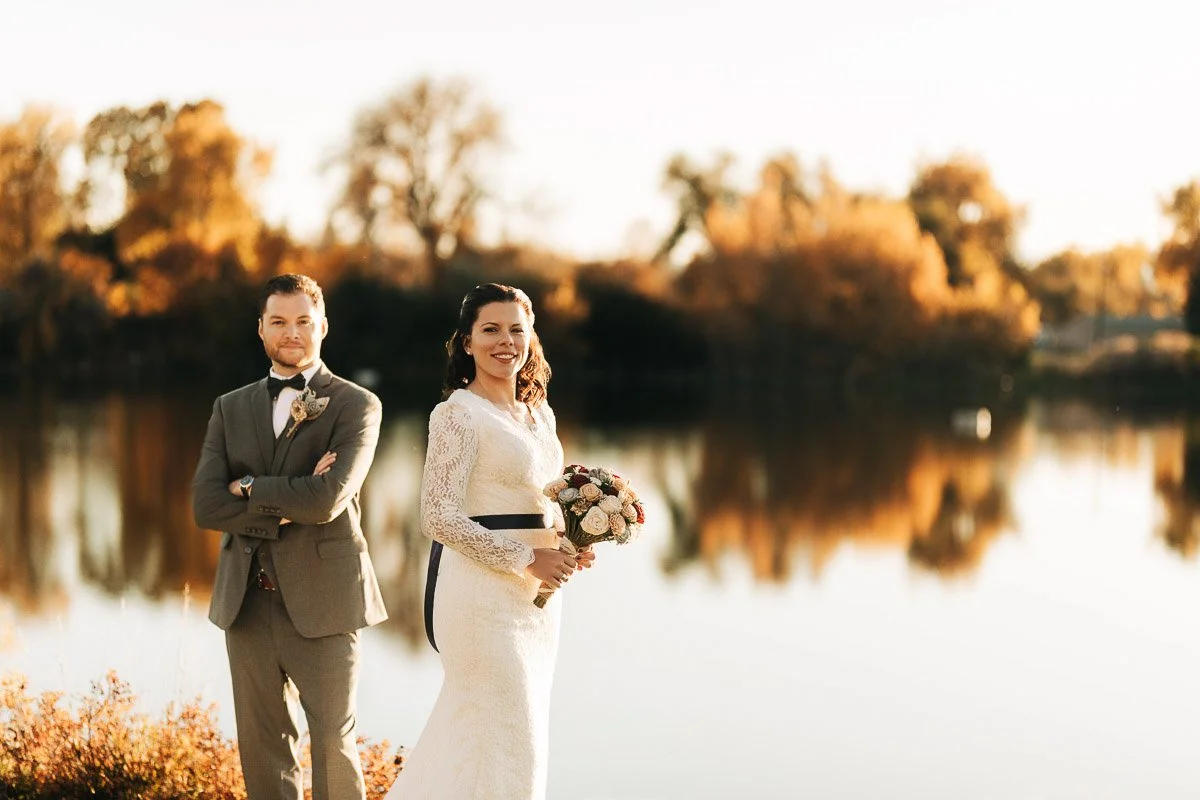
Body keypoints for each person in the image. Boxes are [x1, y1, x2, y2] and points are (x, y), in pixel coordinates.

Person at [386, 283, 594, 800]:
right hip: (480, 600)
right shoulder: (456, 414)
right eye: (491, 330)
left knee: (511, 735)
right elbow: (438, 516)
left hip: (538, 604)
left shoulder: (539, 414)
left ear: (531, 339)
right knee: (506, 724)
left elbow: (542, 500)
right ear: (467, 342)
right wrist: (526, 558)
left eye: (516, 330)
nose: (506, 341)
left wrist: (572, 540)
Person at [192, 274, 388, 800]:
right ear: (260, 330)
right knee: (262, 747)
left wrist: (250, 486)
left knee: (333, 742)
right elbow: (206, 504)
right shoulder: (229, 408)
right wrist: (285, 503)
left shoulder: (357, 406)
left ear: (323, 326)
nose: (292, 332)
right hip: (246, 603)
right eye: (279, 321)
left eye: (303, 321)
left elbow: (327, 500)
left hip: (326, 602)